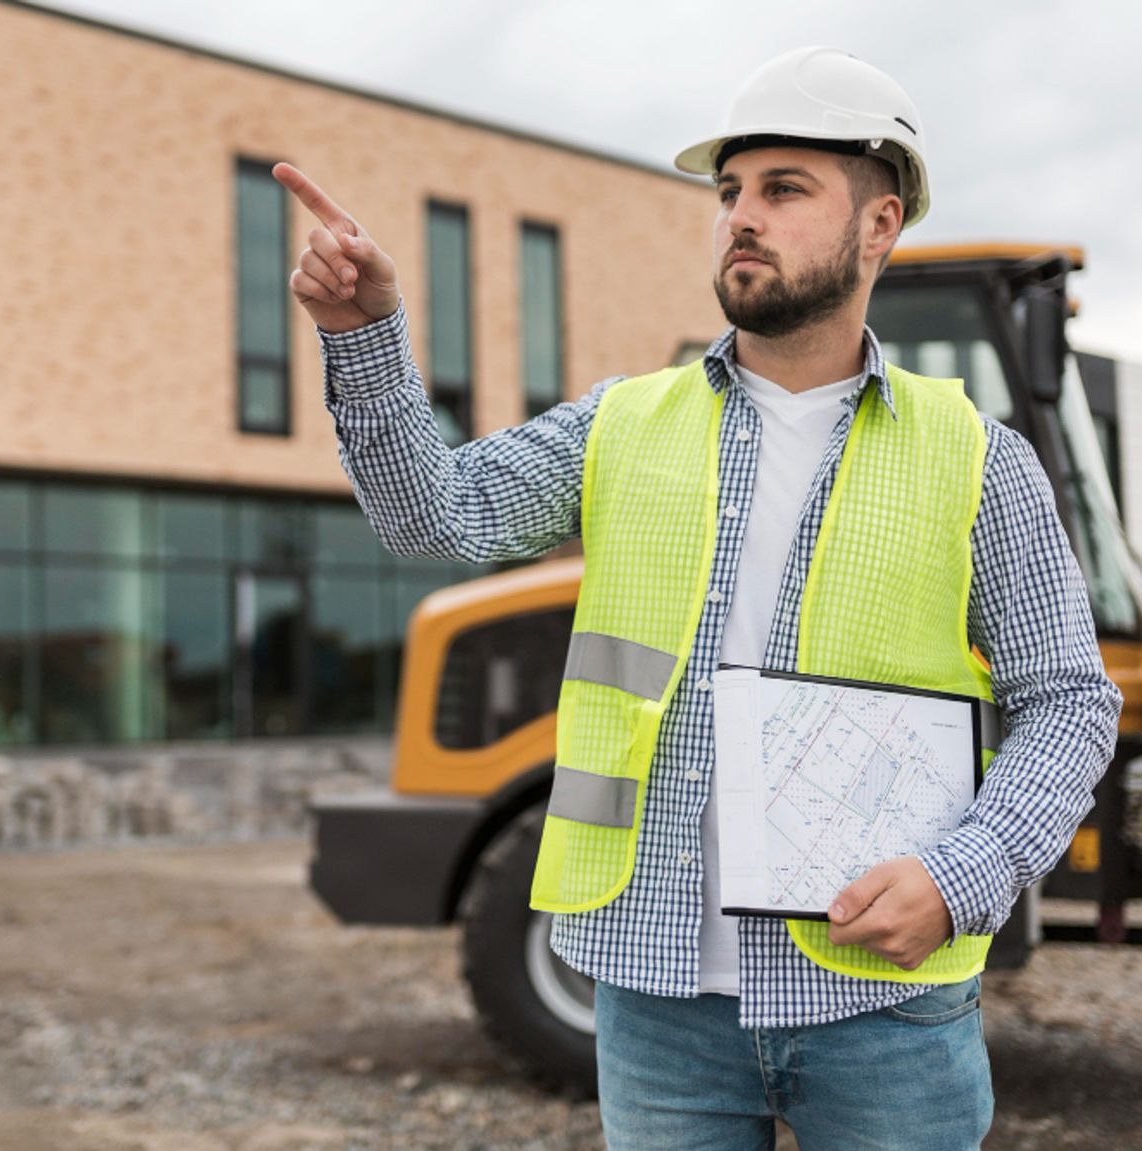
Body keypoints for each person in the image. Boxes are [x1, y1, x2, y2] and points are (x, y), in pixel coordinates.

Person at [275, 45, 1121, 1151]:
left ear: (879, 227)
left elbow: (1069, 698)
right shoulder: (622, 423)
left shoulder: (978, 458)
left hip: (885, 1007)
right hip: (657, 999)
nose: (740, 218)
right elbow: (437, 516)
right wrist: (364, 338)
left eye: (783, 189)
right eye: (729, 193)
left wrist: (965, 875)